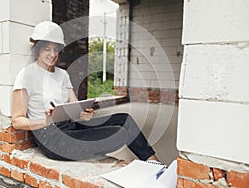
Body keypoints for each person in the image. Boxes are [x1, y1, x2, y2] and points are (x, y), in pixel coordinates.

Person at [12, 21, 159, 161]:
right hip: (50, 138)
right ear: (37, 49)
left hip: (69, 126)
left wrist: (84, 114)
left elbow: (74, 108)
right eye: (47, 49)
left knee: (124, 119)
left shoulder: (62, 75)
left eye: (56, 49)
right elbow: (17, 121)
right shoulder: (27, 75)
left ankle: (155, 163)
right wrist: (45, 121)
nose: (52, 54)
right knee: (119, 135)